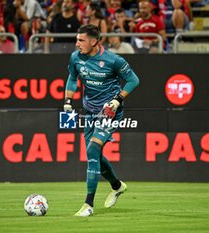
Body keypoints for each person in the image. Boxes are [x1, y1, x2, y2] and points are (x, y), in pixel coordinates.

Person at [63, 24, 139, 217]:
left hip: (109, 112)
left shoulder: (113, 60)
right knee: (94, 155)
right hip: (89, 111)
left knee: (92, 150)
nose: (77, 43)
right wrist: (68, 101)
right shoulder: (76, 57)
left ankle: (88, 204)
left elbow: (133, 80)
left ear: (94, 41)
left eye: (81, 40)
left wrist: (118, 99)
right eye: (77, 39)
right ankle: (117, 185)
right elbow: (72, 78)